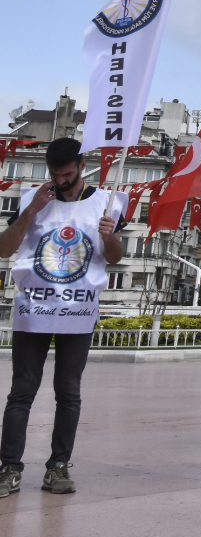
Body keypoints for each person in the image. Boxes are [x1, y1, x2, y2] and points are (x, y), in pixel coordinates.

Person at [0, 138, 126, 498]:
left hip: (78, 312)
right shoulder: (32, 199)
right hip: (34, 311)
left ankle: (58, 466)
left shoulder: (108, 203)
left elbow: (114, 257)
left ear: (82, 166)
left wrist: (110, 237)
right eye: (54, 175)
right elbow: (5, 249)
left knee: (68, 392)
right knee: (22, 391)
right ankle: (9, 468)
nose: (60, 181)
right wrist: (30, 212)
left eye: (67, 174)